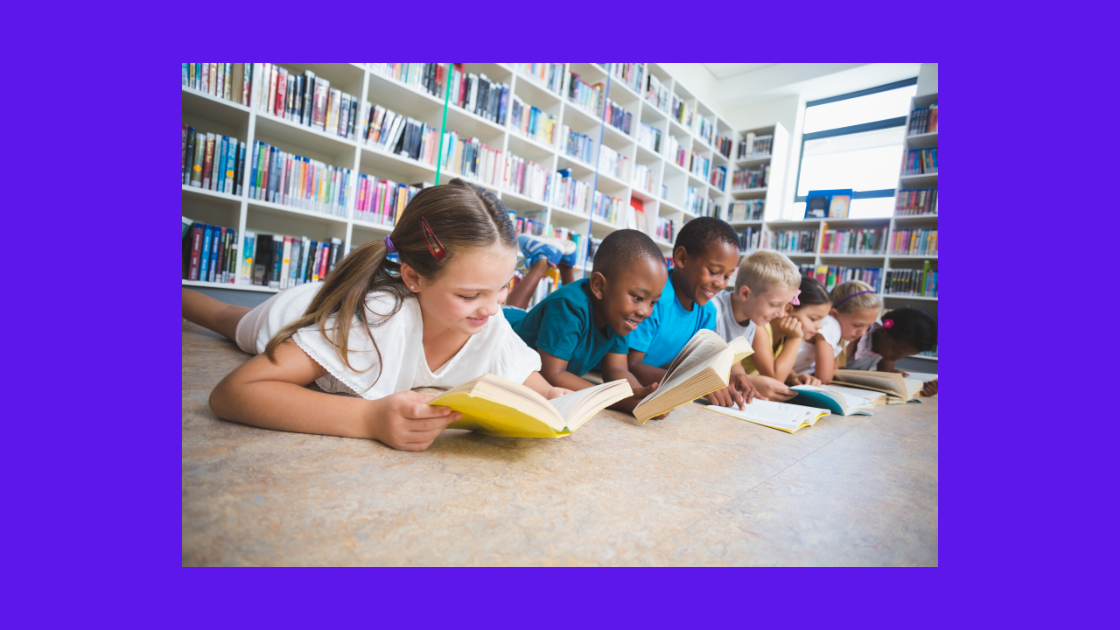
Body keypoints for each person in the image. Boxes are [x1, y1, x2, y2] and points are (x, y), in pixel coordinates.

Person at [182, 179, 569, 452]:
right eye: (470, 294)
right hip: (301, 312)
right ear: (414, 277)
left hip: (350, 306)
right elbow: (233, 393)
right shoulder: (379, 320)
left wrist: (553, 395)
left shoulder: (486, 317)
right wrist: (368, 419)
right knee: (228, 319)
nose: (492, 307)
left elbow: (523, 373)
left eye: (503, 287)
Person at [504, 229, 668, 416]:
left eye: (653, 302)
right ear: (599, 286)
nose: (645, 311)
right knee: (515, 309)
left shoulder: (620, 317)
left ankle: (566, 266)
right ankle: (542, 262)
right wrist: (618, 400)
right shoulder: (568, 306)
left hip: (536, 319)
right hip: (507, 326)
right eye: (638, 297)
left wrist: (642, 396)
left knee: (531, 313)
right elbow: (551, 375)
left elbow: (617, 369)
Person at [626, 217, 761, 409]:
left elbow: (692, 367)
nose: (721, 283)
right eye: (714, 271)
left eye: (727, 276)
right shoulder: (654, 299)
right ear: (681, 258)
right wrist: (694, 383)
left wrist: (724, 378)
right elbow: (630, 365)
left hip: (652, 385)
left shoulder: (707, 313)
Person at [709, 250, 806, 401]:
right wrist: (753, 381)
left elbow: (735, 368)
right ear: (745, 294)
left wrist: (749, 387)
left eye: (785, 305)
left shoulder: (752, 319)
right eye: (774, 304)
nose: (781, 314)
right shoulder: (712, 312)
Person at [847, 306, 939, 395]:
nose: (898, 358)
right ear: (882, 332)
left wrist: (919, 388)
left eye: (905, 355)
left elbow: (885, 371)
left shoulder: (885, 347)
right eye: (896, 351)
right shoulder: (856, 337)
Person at [789, 277, 841, 384]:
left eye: (822, 319)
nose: (820, 326)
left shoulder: (787, 333)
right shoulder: (763, 329)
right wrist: (794, 338)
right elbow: (773, 373)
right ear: (788, 310)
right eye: (813, 319)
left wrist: (794, 377)